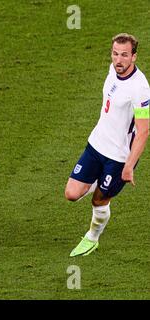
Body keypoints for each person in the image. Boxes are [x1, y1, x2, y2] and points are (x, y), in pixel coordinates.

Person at [65, 33, 150, 257]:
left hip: (119, 157)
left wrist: (129, 166)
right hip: (96, 145)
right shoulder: (113, 70)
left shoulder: (140, 89)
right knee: (71, 194)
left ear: (134, 57)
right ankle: (97, 180)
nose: (118, 60)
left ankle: (92, 237)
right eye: (115, 54)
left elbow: (143, 131)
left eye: (124, 55)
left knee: (99, 200)